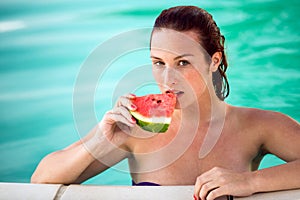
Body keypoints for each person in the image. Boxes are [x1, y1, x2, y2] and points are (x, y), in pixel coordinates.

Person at [31, 5, 300, 200]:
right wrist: (100, 140)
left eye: (183, 62)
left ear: (214, 61)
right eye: (158, 63)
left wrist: (250, 181)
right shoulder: (134, 128)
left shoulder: (258, 126)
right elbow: (41, 179)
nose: (168, 78)